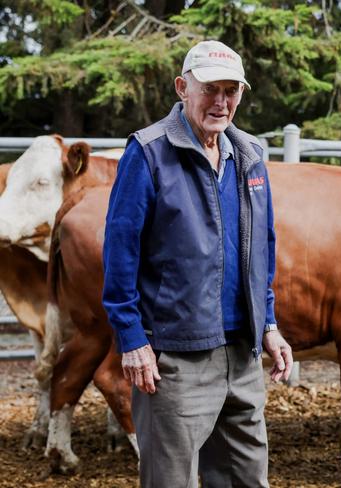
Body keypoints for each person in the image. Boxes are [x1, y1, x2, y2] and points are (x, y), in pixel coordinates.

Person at [102, 39, 293, 488]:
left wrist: (267, 323)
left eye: (232, 90)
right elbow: (119, 250)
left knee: (247, 480)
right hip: (175, 359)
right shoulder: (148, 153)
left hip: (242, 357)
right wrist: (131, 339)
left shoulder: (250, 154)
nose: (221, 101)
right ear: (183, 87)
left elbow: (260, 247)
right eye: (210, 88)